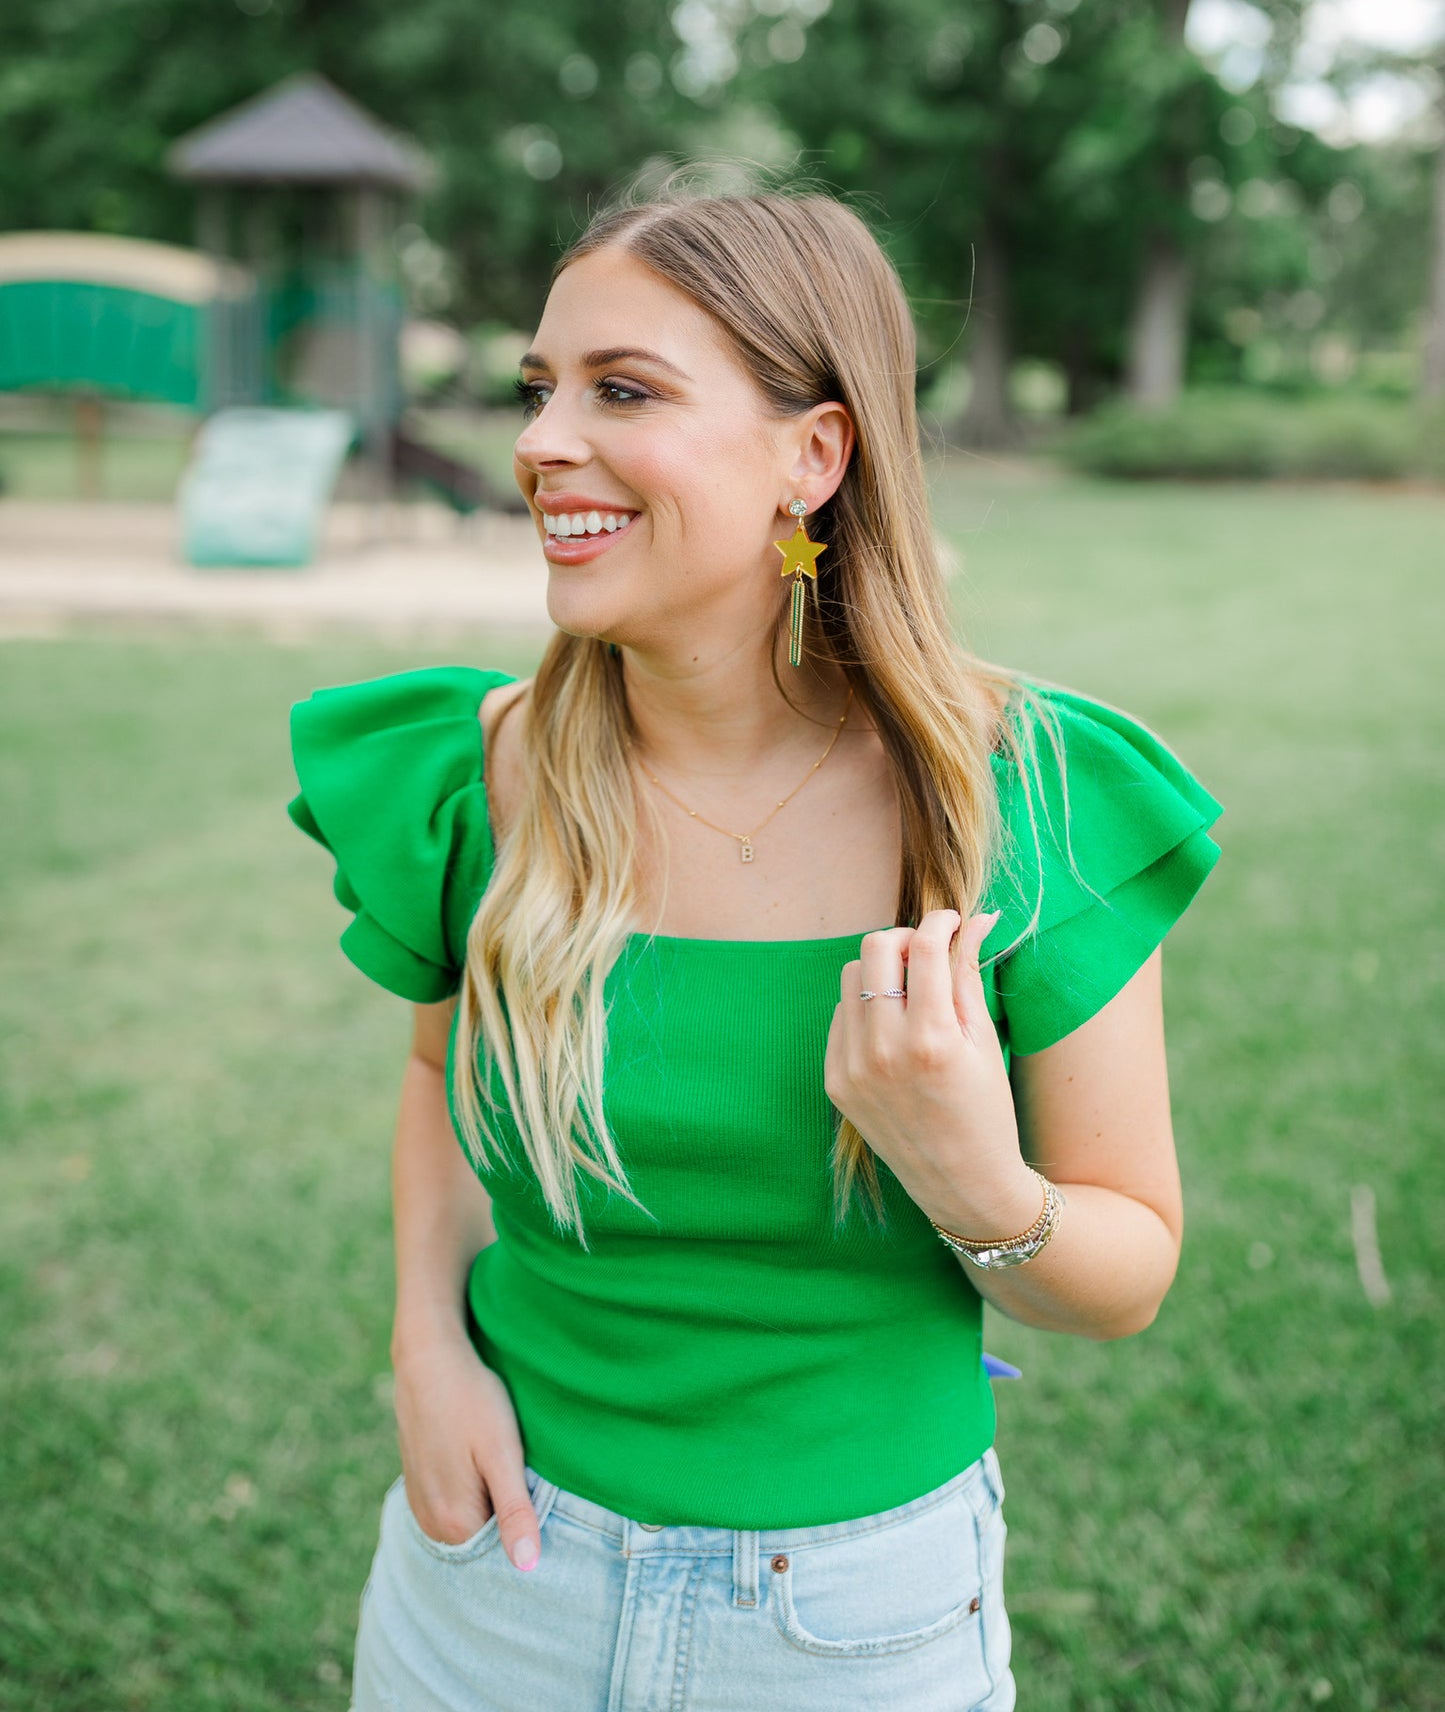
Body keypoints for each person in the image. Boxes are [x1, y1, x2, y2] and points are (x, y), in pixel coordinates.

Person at [288, 174, 1224, 1712]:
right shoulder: (487, 773)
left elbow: (1123, 1273)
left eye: (623, 390)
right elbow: (438, 1087)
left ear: (813, 455)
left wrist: (969, 1173)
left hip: (853, 1626)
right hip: (491, 1577)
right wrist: (426, 1354)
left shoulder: (1028, 801)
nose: (538, 443)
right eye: (540, 387)